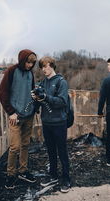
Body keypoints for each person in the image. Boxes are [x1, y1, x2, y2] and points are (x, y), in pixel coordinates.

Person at [0, 49, 37, 189]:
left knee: (26, 144)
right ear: (22, 60)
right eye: (28, 62)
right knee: (15, 146)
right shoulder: (11, 71)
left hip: (29, 115)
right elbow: (2, 93)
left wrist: (35, 107)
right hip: (15, 116)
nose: (30, 65)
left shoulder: (30, 74)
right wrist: (11, 112)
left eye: (32, 63)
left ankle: (23, 171)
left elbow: (32, 92)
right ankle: (10, 174)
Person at [33, 56, 71, 193]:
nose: (44, 69)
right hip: (46, 122)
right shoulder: (43, 83)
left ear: (52, 66)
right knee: (50, 151)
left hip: (59, 122)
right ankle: (53, 175)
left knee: (62, 151)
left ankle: (66, 179)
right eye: (42, 67)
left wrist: (45, 97)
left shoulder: (61, 82)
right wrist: (36, 98)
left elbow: (62, 101)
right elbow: (42, 102)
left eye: (46, 66)